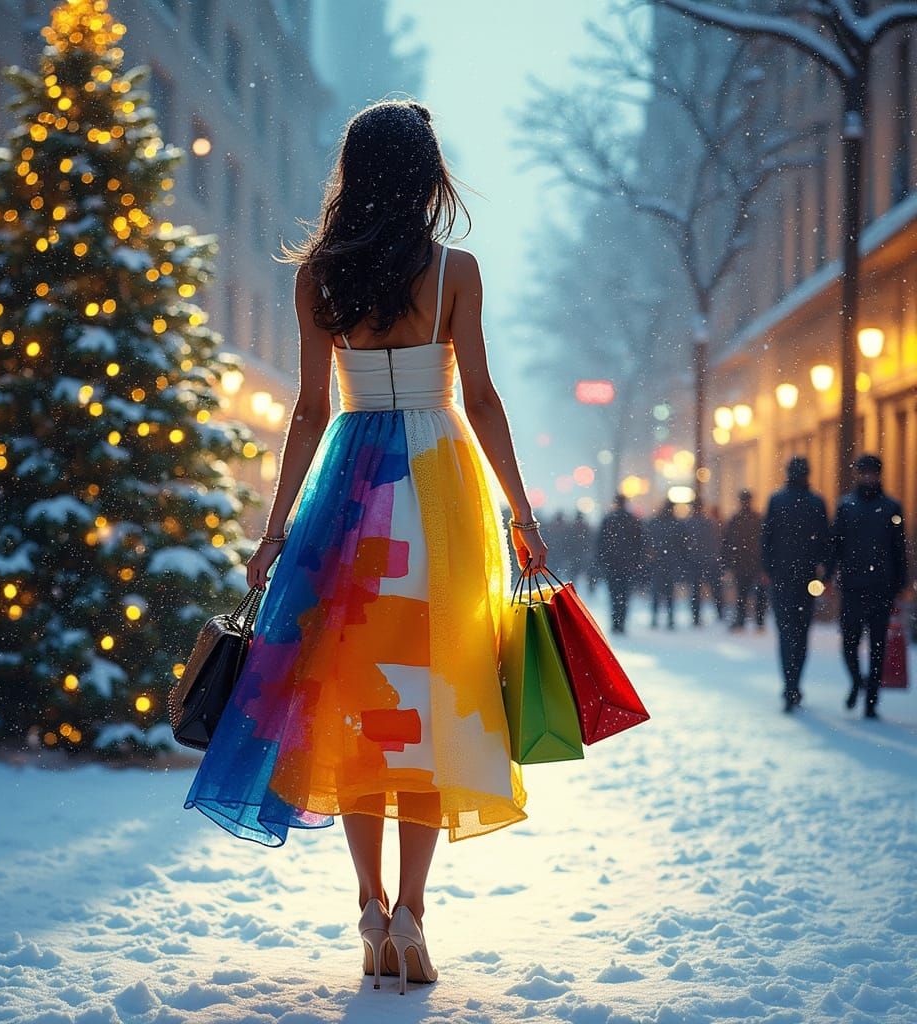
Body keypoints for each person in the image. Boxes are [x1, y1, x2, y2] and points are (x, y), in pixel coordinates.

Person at [183, 100, 546, 994]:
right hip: (438, 491)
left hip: (352, 494)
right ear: (426, 174)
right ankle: (416, 915)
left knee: (350, 697)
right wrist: (523, 517)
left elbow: (309, 411)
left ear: (352, 173)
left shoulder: (319, 278)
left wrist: (275, 533)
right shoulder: (455, 270)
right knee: (436, 692)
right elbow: (486, 401)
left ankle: (371, 908)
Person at [828, 454, 908, 720]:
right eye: (864, 473)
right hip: (853, 586)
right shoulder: (846, 505)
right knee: (849, 644)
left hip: (880, 587)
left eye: (872, 473)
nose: (868, 477)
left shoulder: (891, 507)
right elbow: (836, 544)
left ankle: (871, 700)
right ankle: (856, 681)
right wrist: (829, 575)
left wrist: (900, 583)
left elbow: (899, 548)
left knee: (877, 646)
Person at [761, 456, 830, 712]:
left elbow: (766, 538)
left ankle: (789, 684)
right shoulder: (816, 502)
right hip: (806, 578)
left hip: (782, 578)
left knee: (786, 633)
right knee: (801, 634)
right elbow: (825, 540)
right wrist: (824, 573)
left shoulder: (777, 500)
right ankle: (795, 682)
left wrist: (769, 569)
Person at [595, 493, 643, 633]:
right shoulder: (633, 520)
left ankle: (615, 621)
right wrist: (637, 561)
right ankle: (622, 621)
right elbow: (639, 543)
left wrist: (602, 561)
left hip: (612, 564)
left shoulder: (608, 519)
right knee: (625, 593)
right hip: (628, 564)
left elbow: (600, 543)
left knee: (614, 593)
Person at [724, 489, 767, 631]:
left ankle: (741, 620)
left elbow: (728, 543)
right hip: (755, 563)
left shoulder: (736, 519)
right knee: (759, 593)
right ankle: (759, 621)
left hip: (741, 563)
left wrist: (728, 563)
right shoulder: (758, 519)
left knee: (742, 593)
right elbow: (765, 541)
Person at [645, 499, 687, 629]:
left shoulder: (655, 522)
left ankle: (655, 617)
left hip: (658, 562)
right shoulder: (676, 524)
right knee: (669, 593)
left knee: (656, 592)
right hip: (671, 563)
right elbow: (682, 545)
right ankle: (670, 618)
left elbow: (648, 541)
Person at [685, 498, 725, 626]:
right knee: (715, 588)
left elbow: (685, 544)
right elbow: (717, 542)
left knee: (696, 590)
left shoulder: (688, 523)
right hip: (710, 560)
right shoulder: (710, 523)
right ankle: (719, 613)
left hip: (695, 561)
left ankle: (696, 617)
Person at [570, 508, 594, 589]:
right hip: (583, 551)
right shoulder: (585, 526)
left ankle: (573, 584)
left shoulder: (573, 526)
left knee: (574, 570)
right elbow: (590, 539)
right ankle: (590, 586)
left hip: (575, 552)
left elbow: (569, 540)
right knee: (586, 570)